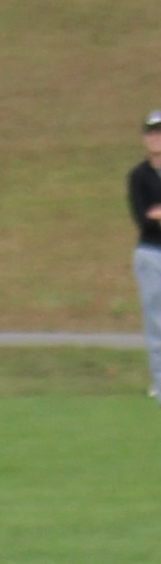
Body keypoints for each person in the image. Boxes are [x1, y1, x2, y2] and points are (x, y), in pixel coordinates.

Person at [126, 110, 161, 404]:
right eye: (151, 132)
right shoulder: (138, 176)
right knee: (157, 322)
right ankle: (159, 383)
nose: (155, 137)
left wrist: (157, 212)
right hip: (150, 254)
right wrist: (154, 215)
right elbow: (144, 219)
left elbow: (155, 214)